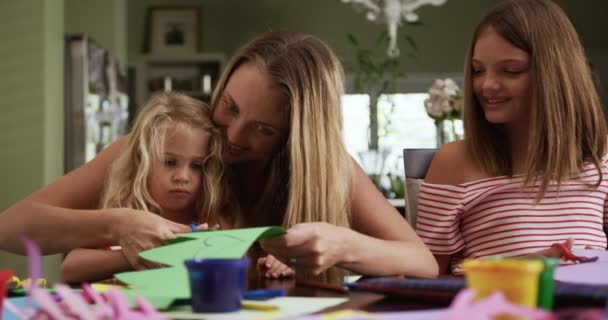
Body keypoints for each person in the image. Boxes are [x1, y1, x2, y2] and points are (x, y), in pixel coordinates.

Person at [1, 31, 438, 278]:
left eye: (262, 130)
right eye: (229, 105)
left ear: (294, 137)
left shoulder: (329, 168)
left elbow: (421, 262)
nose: (230, 134)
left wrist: (343, 244)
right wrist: (116, 223)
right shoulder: (168, 146)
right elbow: (10, 228)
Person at [415, 0, 608, 275]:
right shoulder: (455, 161)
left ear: (555, 74)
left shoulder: (601, 154)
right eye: (478, 70)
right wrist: (516, 268)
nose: (486, 85)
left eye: (511, 70)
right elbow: (423, 276)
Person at [60, 92, 230, 283]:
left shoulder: (210, 219)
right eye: (169, 162)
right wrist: (140, 254)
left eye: (196, 166)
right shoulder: (125, 215)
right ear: (142, 161)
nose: (182, 177)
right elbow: (70, 269)